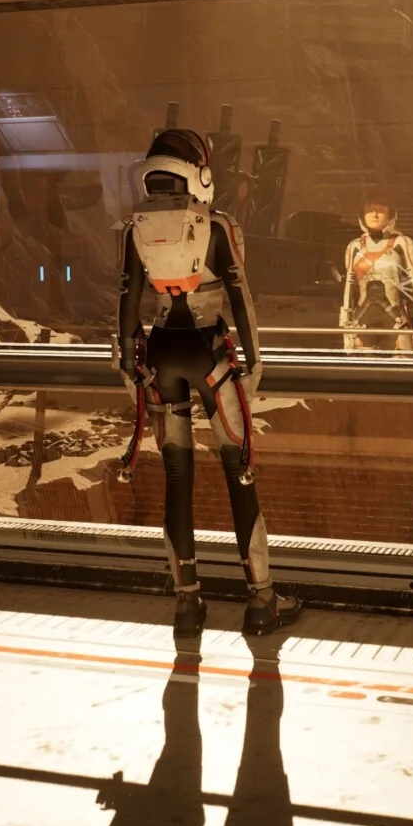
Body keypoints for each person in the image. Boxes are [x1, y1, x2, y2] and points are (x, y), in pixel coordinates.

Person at [113, 128, 303, 638]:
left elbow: (127, 303)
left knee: (177, 481)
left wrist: (128, 367)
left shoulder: (133, 227)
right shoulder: (216, 225)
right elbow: (240, 298)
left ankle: (186, 605)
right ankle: (261, 600)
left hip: (161, 356)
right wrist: (254, 365)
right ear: (198, 172)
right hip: (211, 355)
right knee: (240, 474)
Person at [340, 197, 413, 352]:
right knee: (361, 364)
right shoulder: (354, 246)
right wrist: (345, 320)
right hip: (362, 317)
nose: (374, 214)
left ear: (390, 214)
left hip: (395, 316)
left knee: (402, 362)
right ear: (362, 215)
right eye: (369, 210)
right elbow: (349, 283)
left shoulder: (402, 242)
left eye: (380, 210)